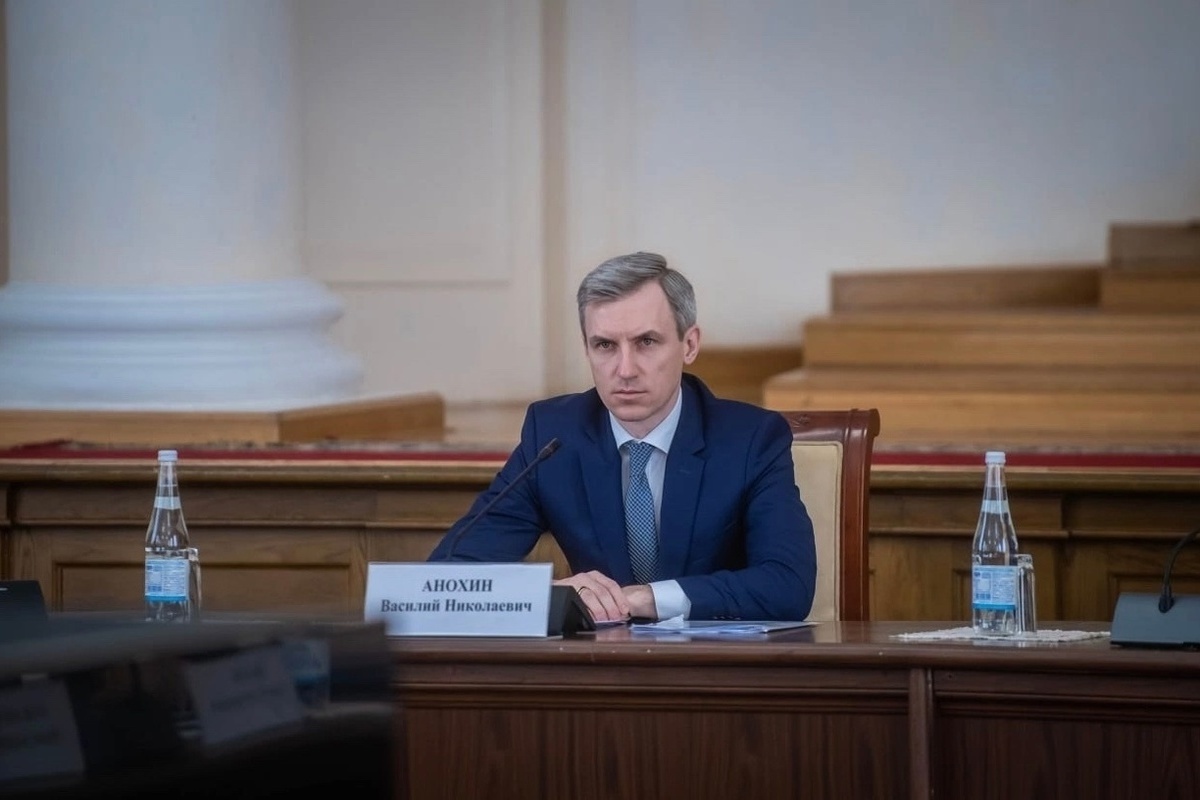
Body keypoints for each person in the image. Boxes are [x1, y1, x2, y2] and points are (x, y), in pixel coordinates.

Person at [427, 252, 816, 622]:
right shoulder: (554, 436)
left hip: (713, 662)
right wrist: (551, 595)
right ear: (586, 348)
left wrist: (644, 598)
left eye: (646, 342)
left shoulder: (750, 440)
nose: (625, 369)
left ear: (690, 344)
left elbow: (787, 586)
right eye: (605, 345)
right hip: (597, 662)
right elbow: (446, 576)